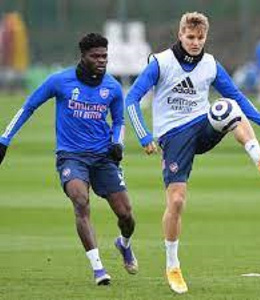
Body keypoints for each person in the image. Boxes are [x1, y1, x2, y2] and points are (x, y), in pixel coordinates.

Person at [125, 12, 260, 294]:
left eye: (200, 38)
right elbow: (131, 99)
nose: (195, 42)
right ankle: (172, 265)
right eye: (190, 37)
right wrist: (143, 135)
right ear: (180, 35)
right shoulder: (160, 62)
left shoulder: (211, 64)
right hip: (173, 136)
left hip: (201, 127)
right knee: (176, 202)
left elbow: (237, 96)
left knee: (226, 106)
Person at [0, 33, 138, 285]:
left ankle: (124, 244)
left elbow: (118, 121)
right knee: (80, 200)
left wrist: (117, 142)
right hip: (71, 157)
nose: (101, 60)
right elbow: (28, 107)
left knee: (126, 215)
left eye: (104, 56)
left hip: (103, 158)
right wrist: (4, 140)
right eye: (95, 56)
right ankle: (98, 269)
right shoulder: (59, 81)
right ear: (83, 56)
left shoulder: (113, 88)